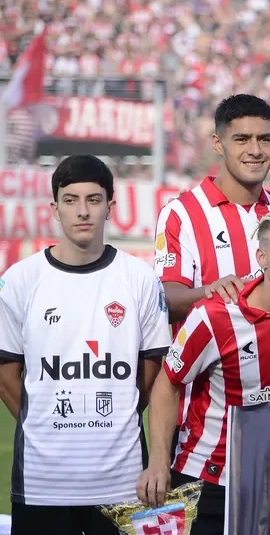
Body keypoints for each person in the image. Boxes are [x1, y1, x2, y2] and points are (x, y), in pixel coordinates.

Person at [136, 209, 270, 534]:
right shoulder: (214, 316)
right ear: (262, 259)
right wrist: (157, 463)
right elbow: (168, 383)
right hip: (209, 480)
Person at [0, 156, 169, 535]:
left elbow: (153, 371)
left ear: (110, 207)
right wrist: (41, 424)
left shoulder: (139, 279)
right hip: (42, 486)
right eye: (71, 199)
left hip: (123, 484)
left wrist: (116, 420)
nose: (82, 211)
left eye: (94, 200)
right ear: (54, 208)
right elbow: (5, 372)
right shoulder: (20, 281)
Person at [152, 94, 270, 460]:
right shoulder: (182, 214)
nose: (255, 150)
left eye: (264, 139)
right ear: (218, 143)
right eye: (241, 139)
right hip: (201, 432)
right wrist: (207, 293)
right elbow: (164, 300)